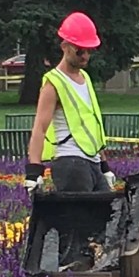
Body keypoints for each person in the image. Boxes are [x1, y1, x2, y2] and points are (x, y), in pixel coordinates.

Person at [24, 12, 116, 194]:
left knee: (107, 215)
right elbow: (39, 128)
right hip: (70, 163)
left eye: (89, 50)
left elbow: (92, 126)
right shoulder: (53, 82)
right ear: (65, 46)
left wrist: (104, 165)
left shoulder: (85, 78)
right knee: (81, 220)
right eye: (80, 50)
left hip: (93, 161)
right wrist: (34, 172)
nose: (85, 56)